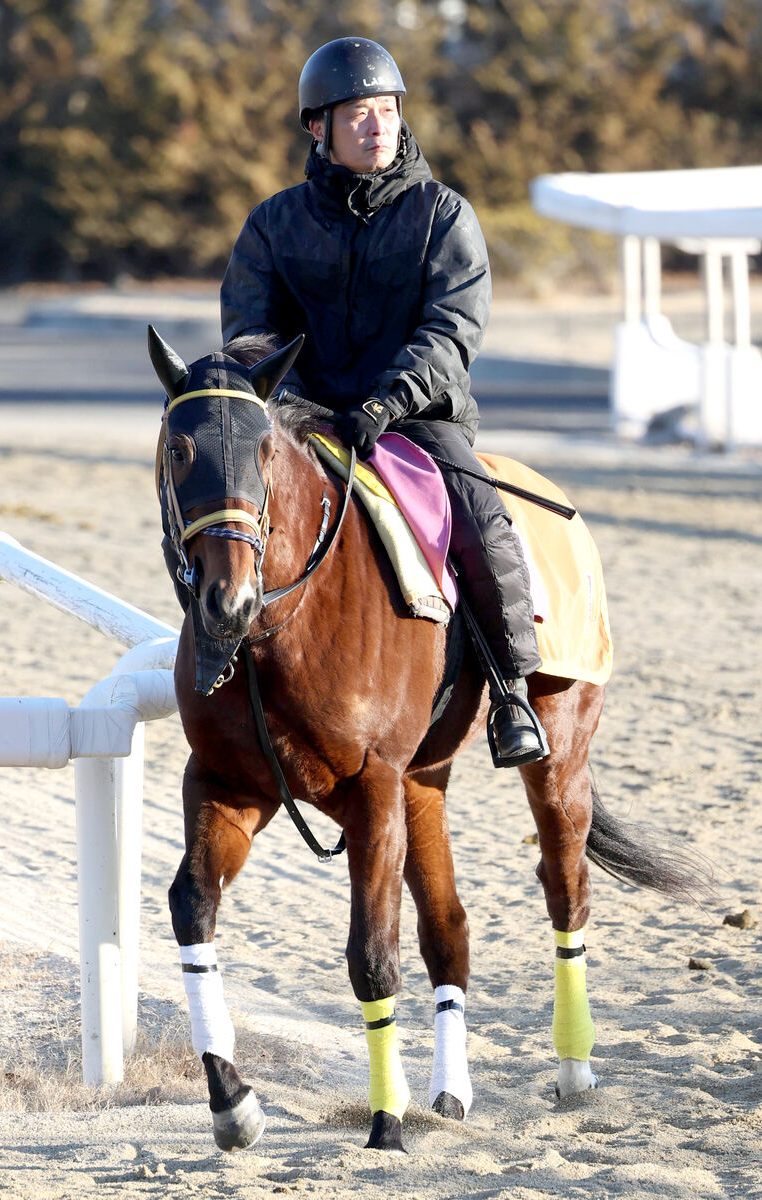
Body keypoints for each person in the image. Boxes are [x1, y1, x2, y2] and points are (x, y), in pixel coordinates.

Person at [219, 36, 548, 766]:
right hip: (302, 423)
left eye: (387, 110)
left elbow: (450, 331)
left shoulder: (443, 216)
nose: (377, 125)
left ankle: (511, 690)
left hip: (417, 420)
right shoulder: (272, 225)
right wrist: (297, 409)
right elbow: (249, 333)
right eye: (358, 112)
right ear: (319, 128)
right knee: (218, 506)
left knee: (479, 515)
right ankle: (217, 649)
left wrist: (384, 405)